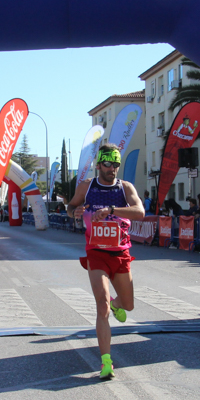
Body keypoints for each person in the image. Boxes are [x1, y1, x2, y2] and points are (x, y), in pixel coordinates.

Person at [67, 143, 144, 380]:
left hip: (120, 253)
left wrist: (112, 209)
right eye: (108, 164)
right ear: (99, 164)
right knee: (102, 306)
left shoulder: (125, 187)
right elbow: (70, 207)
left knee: (129, 305)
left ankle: (117, 304)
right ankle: (106, 363)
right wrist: (75, 212)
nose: (113, 169)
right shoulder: (86, 186)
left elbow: (140, 212)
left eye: (116, 164)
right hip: (96, 252)